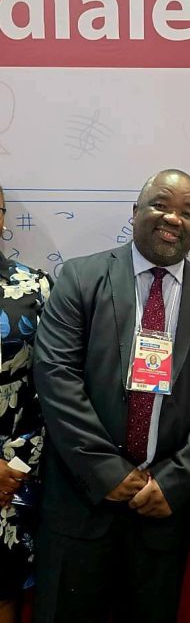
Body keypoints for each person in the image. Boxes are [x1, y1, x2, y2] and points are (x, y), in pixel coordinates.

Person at [33, 169, 190, 623]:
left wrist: (173, 481)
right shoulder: (81, 278)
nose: (173, 218)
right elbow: (55, 375)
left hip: (163, 511)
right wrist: (106, 471)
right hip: (81, 503)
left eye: (188, 213)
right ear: (135, 212)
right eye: (161, 205)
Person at [0, 184, 52, 623]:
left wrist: (15, 465)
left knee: (6, 590)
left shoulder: (35, 286)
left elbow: (53, 383)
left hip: (15, 472)